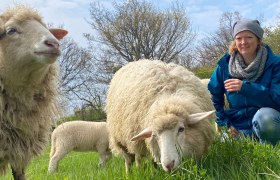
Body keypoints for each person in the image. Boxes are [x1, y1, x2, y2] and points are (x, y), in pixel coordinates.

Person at [208, 19, 280, 145]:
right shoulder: (224, 66)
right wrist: (225, 123)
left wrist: (246, 88)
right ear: (235, 42)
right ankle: (243, 139)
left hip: (266, 121)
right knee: (220, 143)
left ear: (258, 40)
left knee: (266, 118)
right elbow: (213, 96)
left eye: (249, 37)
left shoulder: (275, 64)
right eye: (239, 38)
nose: (243, 42)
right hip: (236, 124)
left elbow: (277, 100)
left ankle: (269, 147)